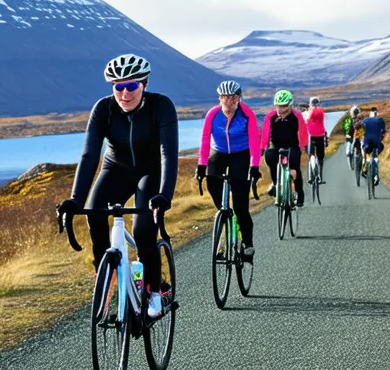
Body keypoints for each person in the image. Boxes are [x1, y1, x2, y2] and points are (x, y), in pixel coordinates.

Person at [55, 54, 178, 319]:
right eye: (118, 86)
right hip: (115, 170)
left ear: (144, 84)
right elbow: (89, 156)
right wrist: (75, 199)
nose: (124, 93)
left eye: (131, 86)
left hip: (150, 171)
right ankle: (106, 275)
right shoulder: (103, 109)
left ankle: (155, 291)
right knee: (94, 214)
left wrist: (164, 196)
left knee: (144, 230)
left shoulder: (161, 106)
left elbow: (168, 153)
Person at [196, 80, 262, 259]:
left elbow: (255, 143)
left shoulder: (247, 114)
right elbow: (204, 140)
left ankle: (247, 241)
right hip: (218, 152)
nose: (228, 101)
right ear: (219, 98)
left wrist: (254, 166)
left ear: (239, 98)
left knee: (241, 206)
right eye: (224, 97)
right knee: (212, 183)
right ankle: (225, 215)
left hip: (241, 153)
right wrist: (202, 165)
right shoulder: (213, 114)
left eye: (233, 97)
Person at [260, 89, 309, 207]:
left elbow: (302, 132)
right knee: (270, 157)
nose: (281, 109)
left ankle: (299, 193)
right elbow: (265, 133)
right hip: (276, 145)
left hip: (292, 145)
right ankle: (276, 184)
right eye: (278, 106)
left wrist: (303, 146)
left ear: (289, 105)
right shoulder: (270, 117)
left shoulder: (297, 116)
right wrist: (263, 147)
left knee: (294, 167)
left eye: (284, 106)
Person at [303, 96, 327, 184]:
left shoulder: (308, 112)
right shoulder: (321, 111)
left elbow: (305, 121)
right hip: (320, 135)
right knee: (320, 157)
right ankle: (321, 176)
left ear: (310, 103)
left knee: (311, 156)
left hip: (310, 136)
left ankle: (310, 178)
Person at [361, 106, 387, 187]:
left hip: (367, 142)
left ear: (370, 113)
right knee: (375, 157)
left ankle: (365, 164)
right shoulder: (380, 120)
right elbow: (384, 131)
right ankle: (375, 176)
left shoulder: (365, 120)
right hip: (376, 142)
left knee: (366, 152)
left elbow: (362, 129)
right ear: (376, 114)